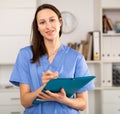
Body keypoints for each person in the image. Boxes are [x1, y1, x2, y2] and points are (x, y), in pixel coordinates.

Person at [9, 3, 95, 114]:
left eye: (52, 20)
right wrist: (44, 88)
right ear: (38, 28)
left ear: (60, 22)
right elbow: (25, 101)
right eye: (42, 22)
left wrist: (63, 99)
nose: (48, 26)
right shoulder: (25, 55)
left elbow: (83, 103)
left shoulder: (76, 58)